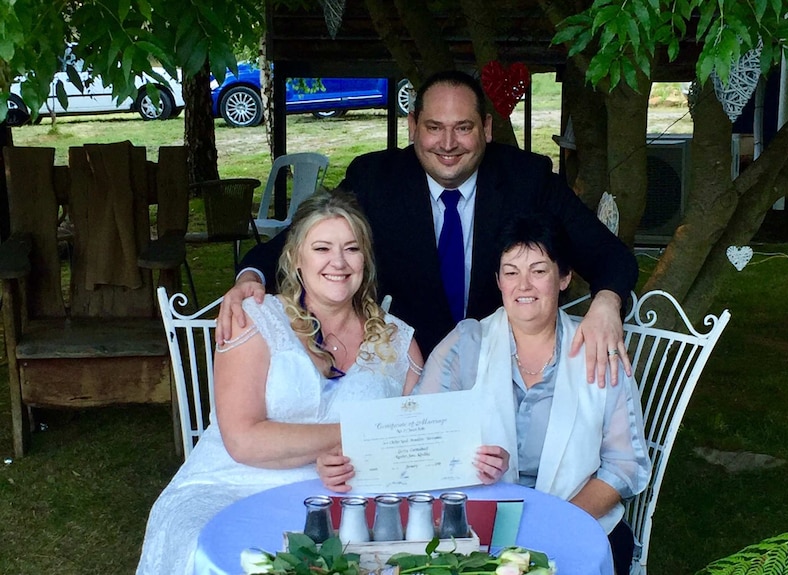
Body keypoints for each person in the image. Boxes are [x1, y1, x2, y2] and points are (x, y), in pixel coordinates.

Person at [220, 69, 638, 387]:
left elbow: (611, 257)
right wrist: (249, 277)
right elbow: (295, 243)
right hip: (406, 377)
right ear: (413, 127)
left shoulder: (527, 179)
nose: (448, 143)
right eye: (434, 127)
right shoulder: (376, 179)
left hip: (505, 375)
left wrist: (606, 304)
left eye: (464, 128)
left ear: (487, 129)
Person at [135, 190, 423, 575]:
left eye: (351, 249)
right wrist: (353, 434)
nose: (338, 262)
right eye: (322, 248)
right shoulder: (256, 320)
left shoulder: (398, 343)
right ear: (295, 259)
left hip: (346, 498)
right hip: (229, 487)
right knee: (222, 549)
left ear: (365, 260)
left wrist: (367, 456)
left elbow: (418, 442)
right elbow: (243, 439)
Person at [408, 213, 650, 574]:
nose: (524, 286)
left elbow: (625, 464)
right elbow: (421, 437)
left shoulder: (598, 349)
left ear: (564, 277)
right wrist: (468, 461)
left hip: (579, 517)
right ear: (498, 281)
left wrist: (560, 520)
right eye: (511, 272)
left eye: (538, 271)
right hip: (477, 525)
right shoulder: (465, 344)